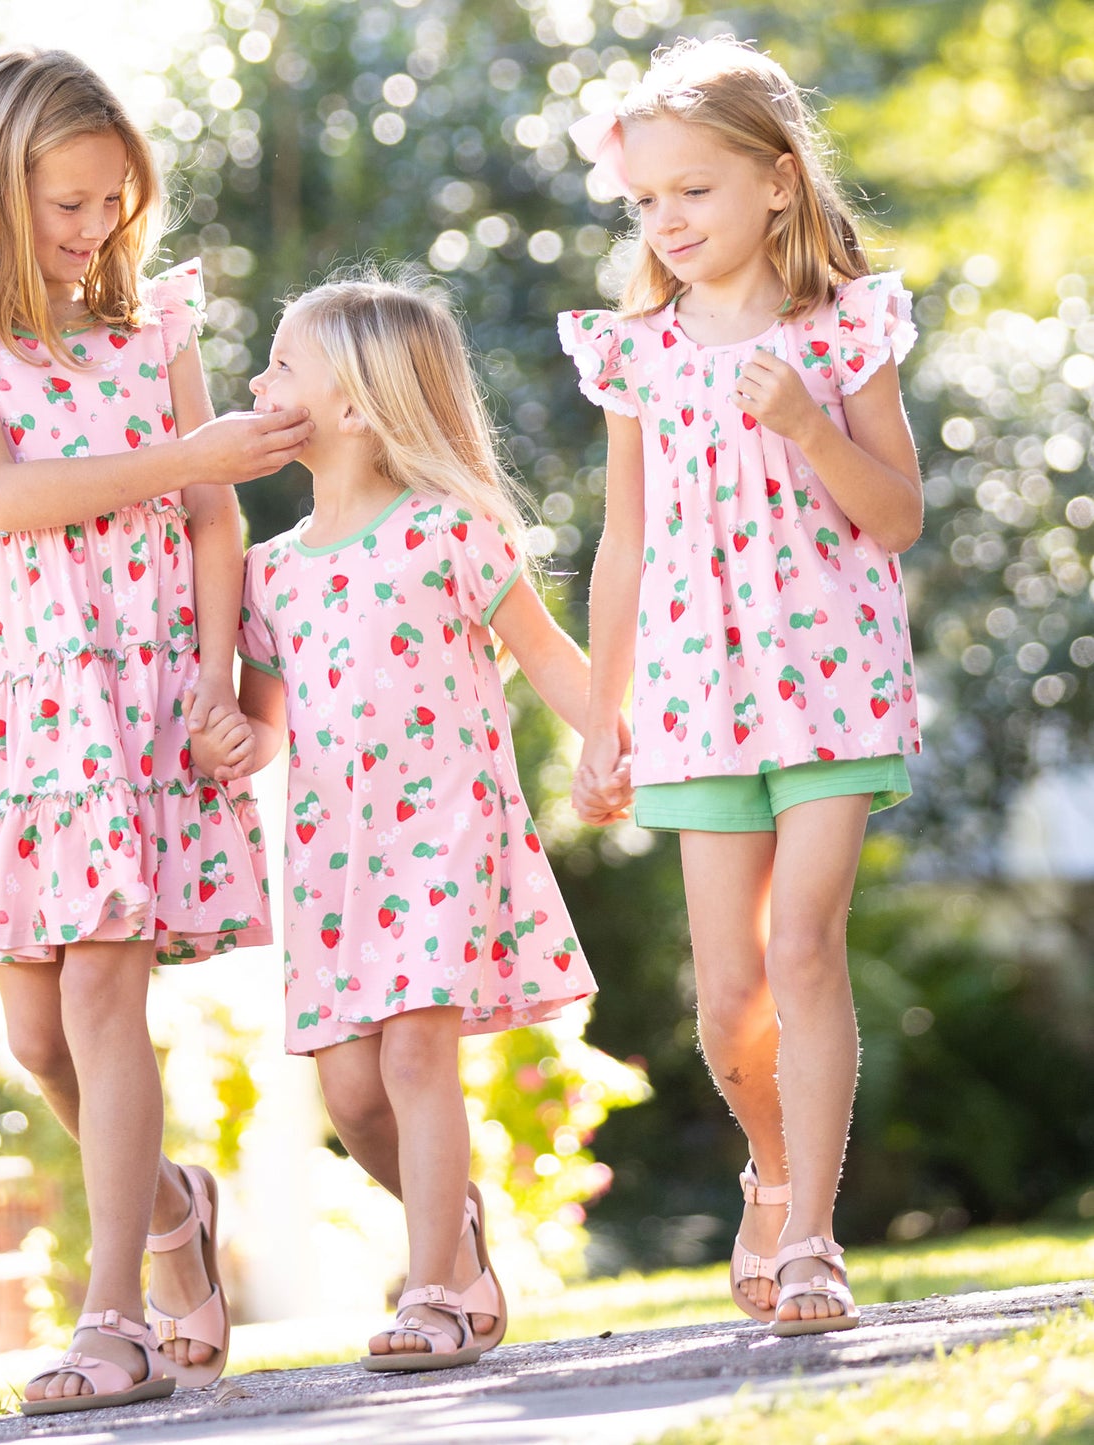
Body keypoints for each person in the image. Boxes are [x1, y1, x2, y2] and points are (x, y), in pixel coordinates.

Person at [0, 48, 313, 1410]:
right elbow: (2, 495)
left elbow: (216, 512)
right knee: (38, 1035)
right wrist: (192, 455)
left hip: (146, 684)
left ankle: (110, 1315)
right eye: (67, 203)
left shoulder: (149, 322)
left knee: (109, 990)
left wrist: (219, 678)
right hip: (20, 692)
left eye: (115, 199)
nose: (95, 227)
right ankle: (172, 1205)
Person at [193, 271, 623, 1370]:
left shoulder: (449, 535)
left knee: (417, 1063)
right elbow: (267, 723)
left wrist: (611, 743)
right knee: (350, 1091)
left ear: (354, 404)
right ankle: (461, 1237)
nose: (257, 378)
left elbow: (556, 668)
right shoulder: (269, 573)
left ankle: (431, 1285)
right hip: (332, 856)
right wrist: (233, 739)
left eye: (284, 362)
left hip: (443, 831)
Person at [560, 35, 922, 1336]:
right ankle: (769, 1172)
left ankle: (816, 1235)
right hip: (694, 693)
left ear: (775, 183)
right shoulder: (634, 353)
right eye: (647, 199)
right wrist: (600, 717)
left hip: (831, 681)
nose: (668, 221)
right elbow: (624, 541)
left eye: (693, 193)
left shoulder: (846, 328)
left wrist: (810, 426)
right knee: (725, 1001)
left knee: (803, 946)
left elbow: (897, 518)